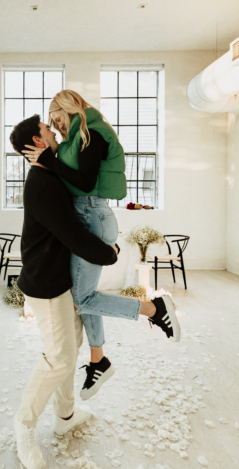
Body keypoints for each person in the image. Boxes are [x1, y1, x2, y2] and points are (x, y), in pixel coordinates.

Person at [22, 90, 180, 402]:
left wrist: (48, 160)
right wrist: (50, 156)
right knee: (85, 296)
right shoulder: (76, 138)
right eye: (51, 124)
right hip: (89, 214)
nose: (56, 127)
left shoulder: (92, 134)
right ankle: (98, 360)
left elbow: (82, 182)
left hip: (92, 213)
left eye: (58, 120)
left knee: (83, 298)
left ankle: (153, 308)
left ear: (70, 109)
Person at [9, 115, 120, 469]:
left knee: (68, 354)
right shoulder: (43, 183)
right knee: (58, 357)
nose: (54, 130)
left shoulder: (49, 172)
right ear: (38, 142)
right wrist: (109, 254)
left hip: (60, 280)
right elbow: (73, 233)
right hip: (46, 286)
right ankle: (24, 424)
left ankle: (66, 415)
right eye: (47, 129)